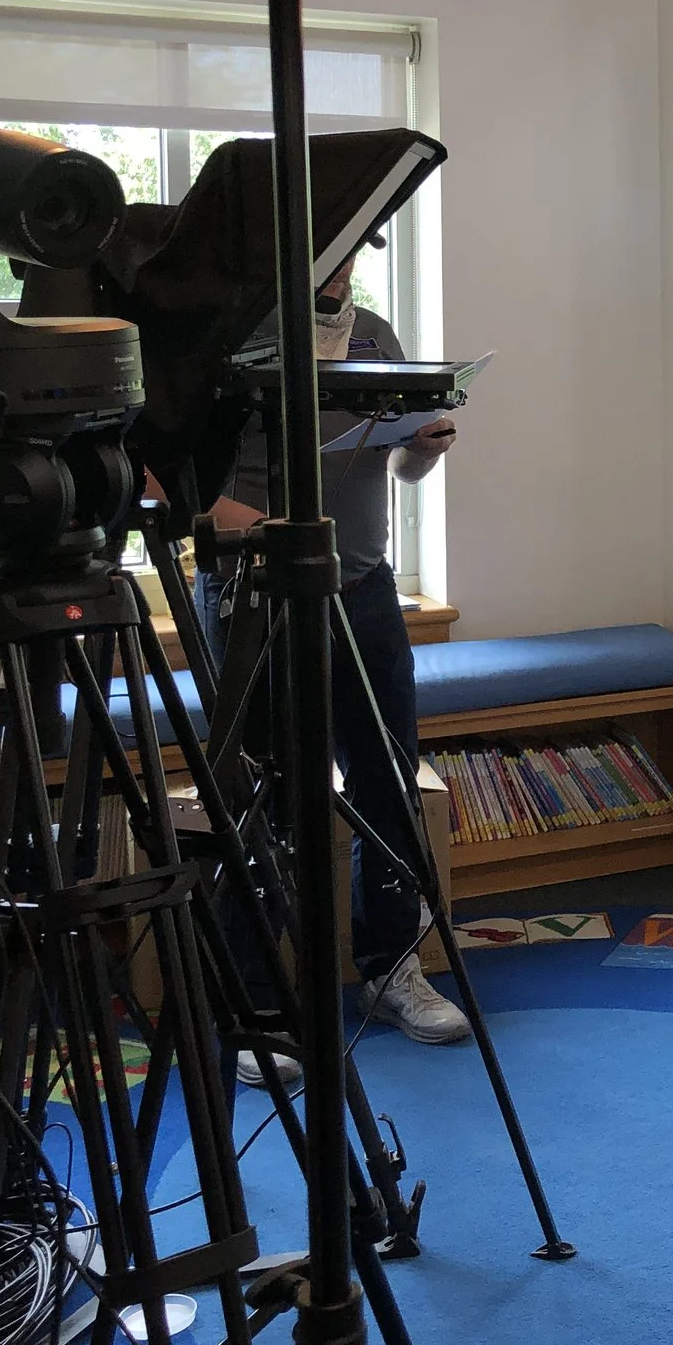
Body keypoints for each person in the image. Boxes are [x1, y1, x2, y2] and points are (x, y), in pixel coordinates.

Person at [205, 254, 470, 1067]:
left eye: (356, 246)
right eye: (327, 244)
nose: (342, 263)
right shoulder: (228, 341)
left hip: (364, 588)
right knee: (268, 798)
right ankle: (256, 1003)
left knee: (388, 780)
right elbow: (174, 480)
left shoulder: (376, 336)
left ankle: (390, 969)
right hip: (260, 594)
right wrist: (247, 522)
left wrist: (423, 447)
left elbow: (396, 464)